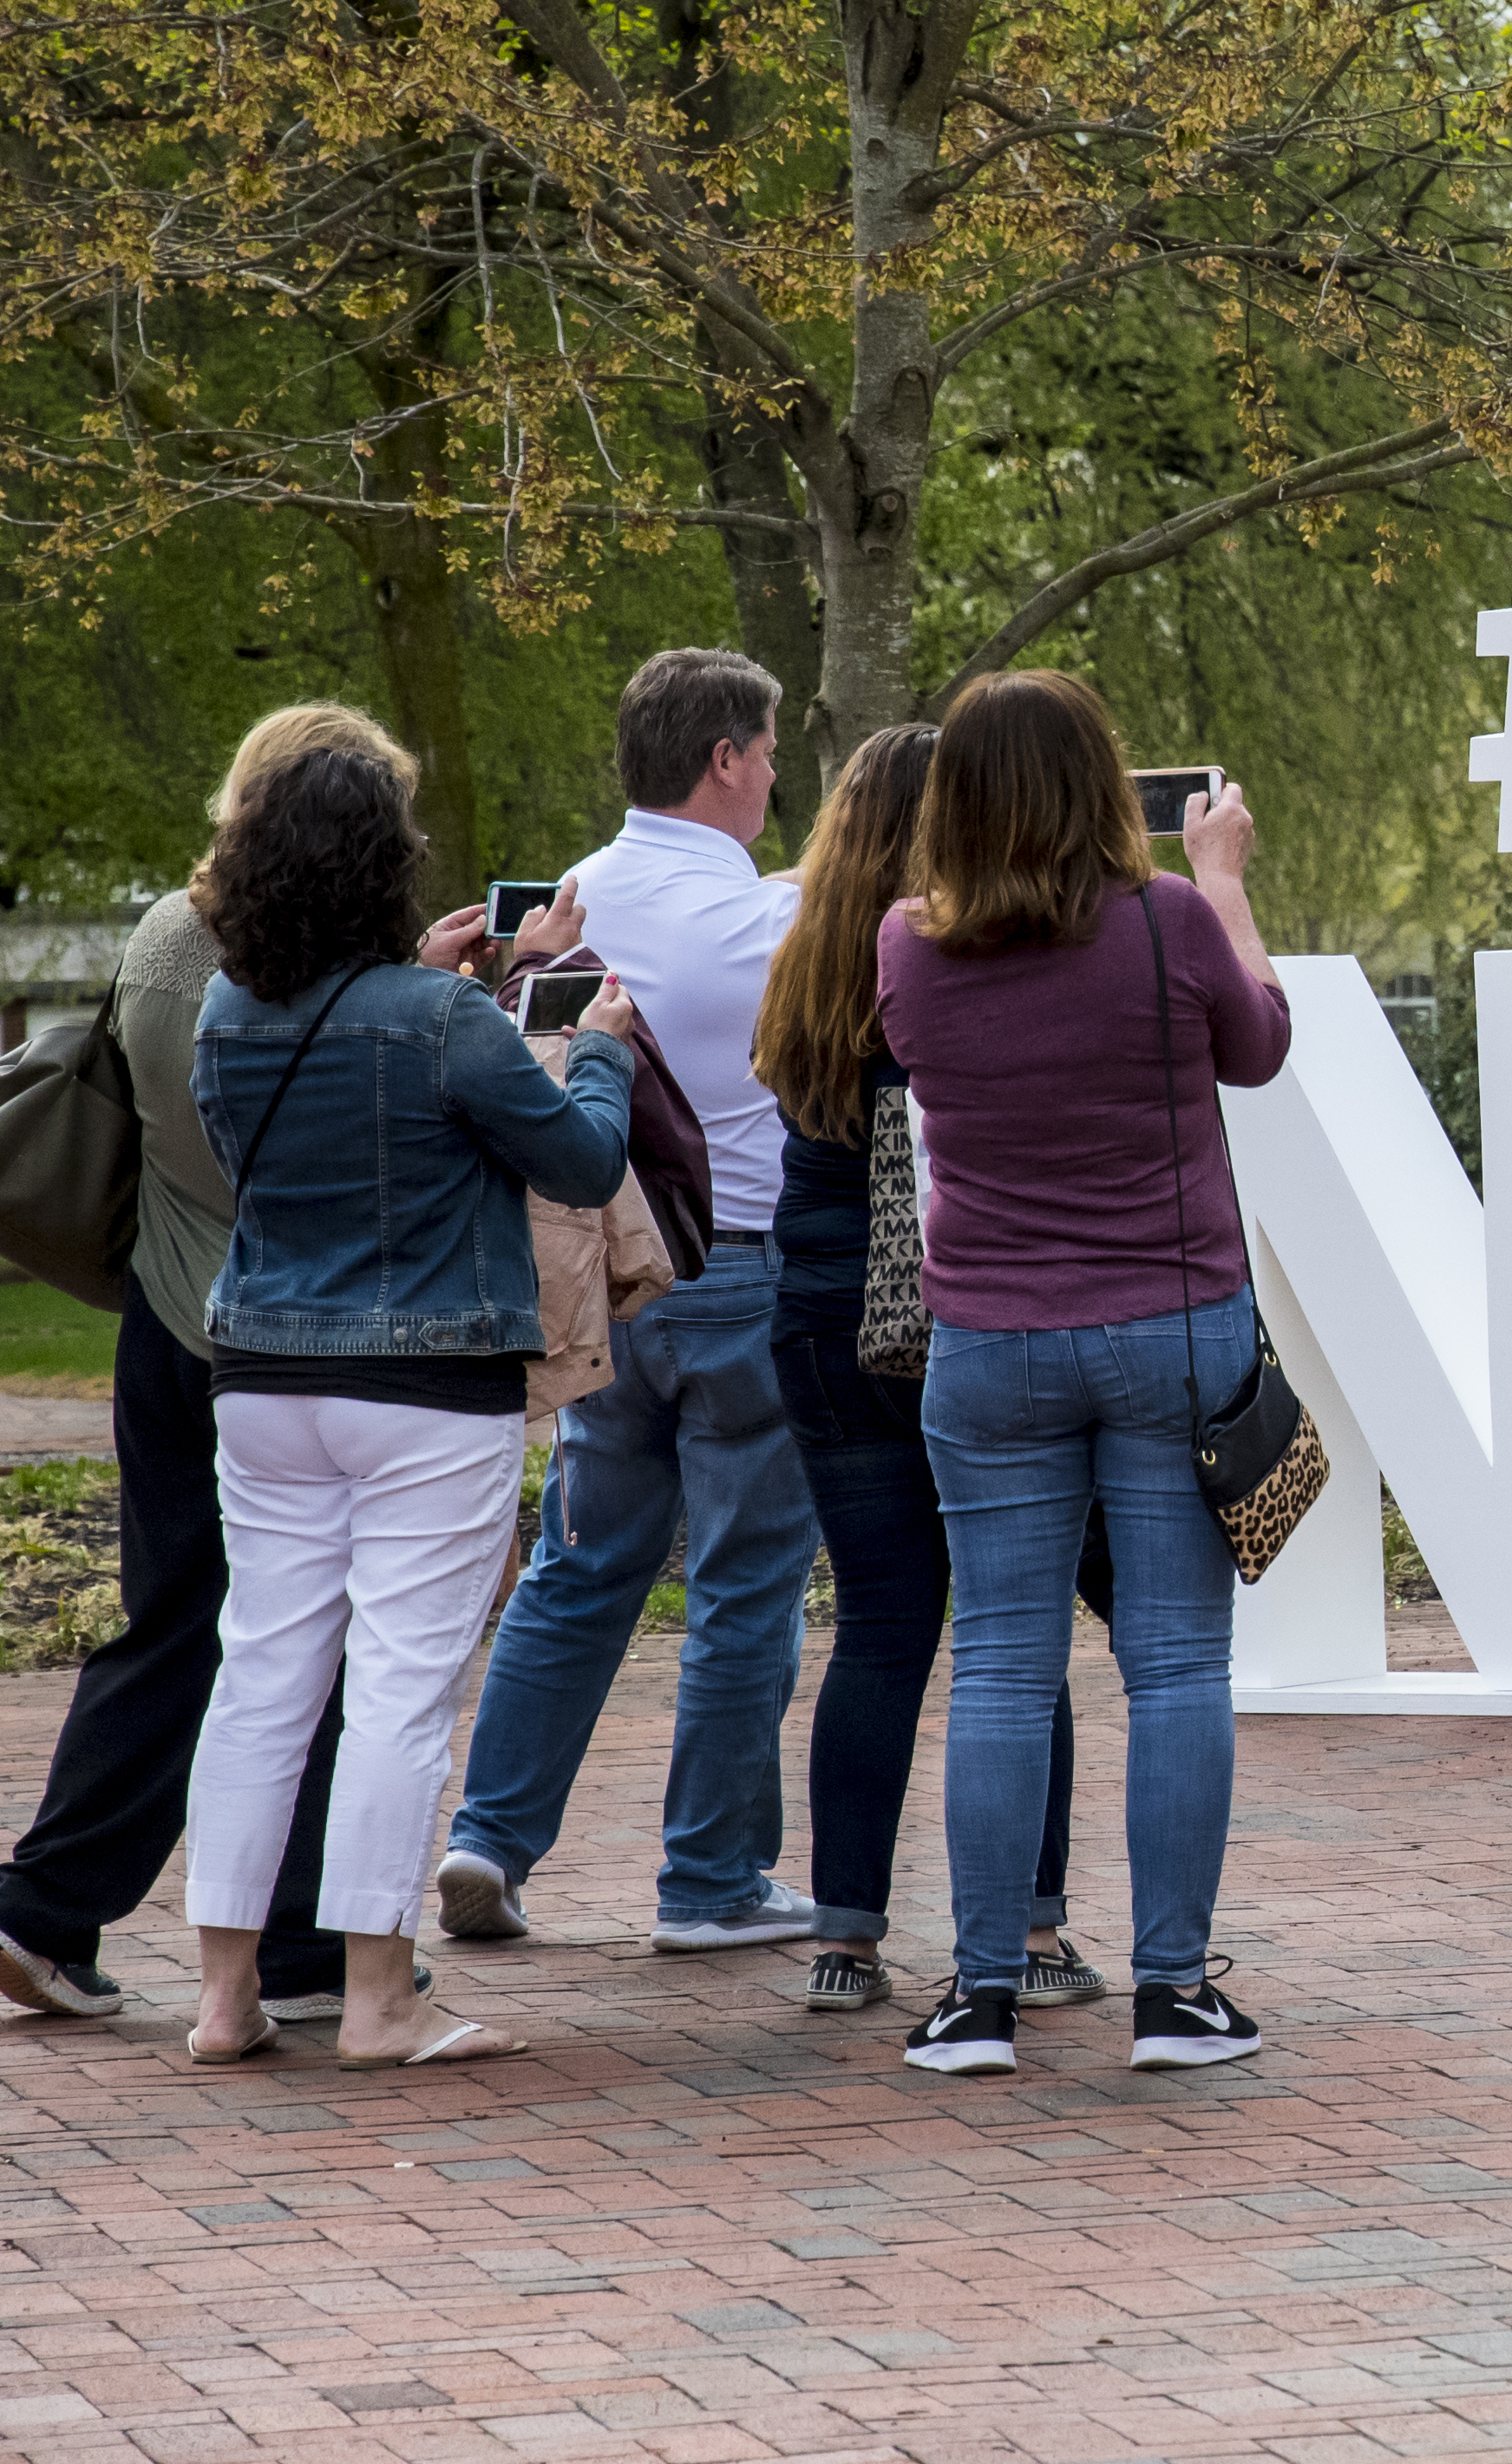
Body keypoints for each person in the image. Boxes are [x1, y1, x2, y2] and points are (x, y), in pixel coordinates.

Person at [0, 707, 460, 2023]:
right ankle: (172, 1920)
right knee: (312, 1642)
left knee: (186, 1628)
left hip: (166, 1324)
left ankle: (84, 1910)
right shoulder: (308, 968)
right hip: (288, 1338)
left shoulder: (163, 941)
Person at [180, 747, 639, 2067]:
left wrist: (467, 985)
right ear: (381, 859)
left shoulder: (226, 1012)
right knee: (396, 1687)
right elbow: (582, 1156)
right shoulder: (440, 1024)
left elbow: (337, 1097)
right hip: (428, 1389)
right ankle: (380, 1998)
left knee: (263, 1675)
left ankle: (224, 1998)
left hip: (265, 1375)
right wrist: (598, 1052)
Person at [878, 670, 1289, 2075]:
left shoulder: (904, 949)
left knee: (998, 1661)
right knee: (1173, 1662)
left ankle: (977, 1996)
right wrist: (1222, 883)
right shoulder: (1166, 921)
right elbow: (1261, 1049)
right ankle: (1173, 1996)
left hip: (990, 1343)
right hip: (1172, 1326)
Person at [440, 650, 828, 1952]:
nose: (774, 773)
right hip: (745, 1269)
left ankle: (489, 1835)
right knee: (745, 1580)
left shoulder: (570, 904)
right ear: (725, 759)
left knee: (580, 1563)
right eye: (768, 752)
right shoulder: (777, 927)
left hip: (610, 1276)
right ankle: (709, 1881)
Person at [749, 723, 1103, 2011]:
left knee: (882, 1628)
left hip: (818, 1316)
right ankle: (1038, 1934)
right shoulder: (965, 959)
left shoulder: (800, 965)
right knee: (1015, 1631)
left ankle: (845, 1936)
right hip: (967, 1308)